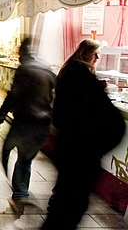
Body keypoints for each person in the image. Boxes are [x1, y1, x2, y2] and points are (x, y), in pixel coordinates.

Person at [41, 39, 125, 229]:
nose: (98, 58)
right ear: (86, 53)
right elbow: (104, 117)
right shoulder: (80, 73)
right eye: (95, 54)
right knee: (70, 205)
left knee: (66, 198)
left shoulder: (69, 70)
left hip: (70, 144)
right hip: (80, 149)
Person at [0, 37, 56, 214]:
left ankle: (19, 193)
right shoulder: (47, 69)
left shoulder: (24, 69)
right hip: (42, 123)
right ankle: (20, 191)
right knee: (25, 158)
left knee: (8, 151)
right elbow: (54, 94)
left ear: (22, 52)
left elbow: (14, 94)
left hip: (25, 121)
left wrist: (1, 115)